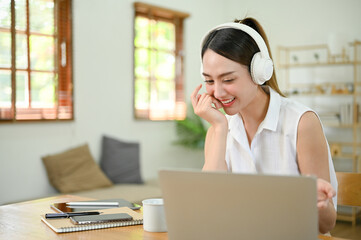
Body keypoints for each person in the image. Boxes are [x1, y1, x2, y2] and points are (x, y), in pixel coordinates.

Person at [191, 17, 337, 234]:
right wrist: (220, 129)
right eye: (210, 81)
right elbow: (208, 208)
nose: (218, 93)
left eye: (228, 79)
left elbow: (327, 224)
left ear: (260, 72)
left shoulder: (301, 123)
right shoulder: (218, 127)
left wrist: (317, 203)